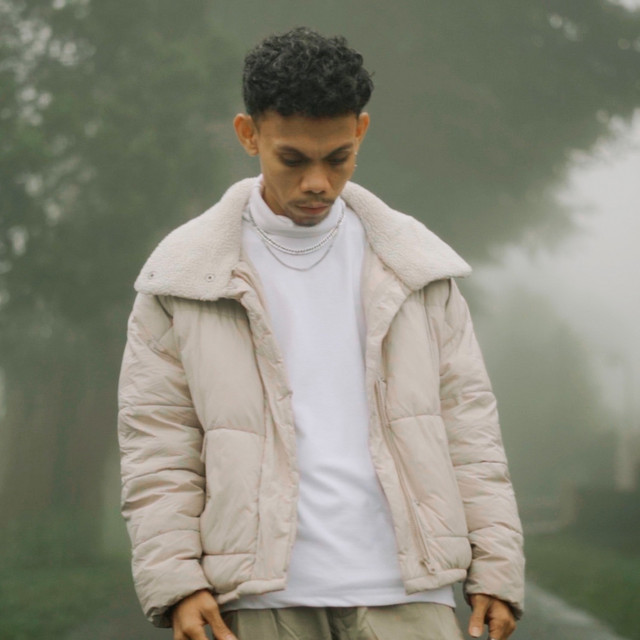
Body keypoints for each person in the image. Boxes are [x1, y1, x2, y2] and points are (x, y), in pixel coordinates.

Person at [118, 27, 524, 640]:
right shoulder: (182, 277)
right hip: (261, 600)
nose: (318, 182)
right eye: (293, 159)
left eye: (338, 157)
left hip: (410, 595)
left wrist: (497, 565)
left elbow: (470, 425)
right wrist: (177, 580)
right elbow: (157, 444)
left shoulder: (416, 267)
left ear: (361, 131)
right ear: (248, 134)